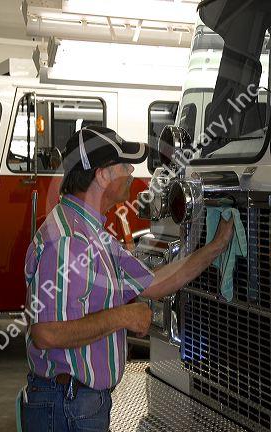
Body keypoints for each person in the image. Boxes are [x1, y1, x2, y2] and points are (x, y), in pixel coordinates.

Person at [22, 126, 233, 432]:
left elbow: (154, 281)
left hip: (79, 403)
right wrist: (123, 315)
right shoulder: (69, 240)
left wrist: (215, 247)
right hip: (66, 406)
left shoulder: (91, 231)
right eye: (124, 165)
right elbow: (47, 334)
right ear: (102, 175)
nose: (132, 173)